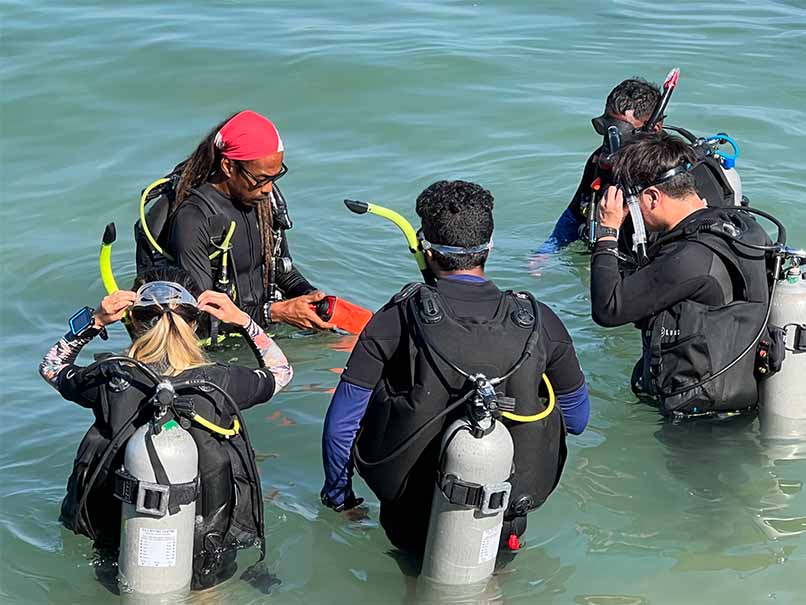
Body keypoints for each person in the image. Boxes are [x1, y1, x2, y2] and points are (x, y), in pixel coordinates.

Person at [320, 180, 590, 558]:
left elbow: (341, 426)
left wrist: (339, 497)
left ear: (426, 251)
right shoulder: (540, 321)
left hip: (409, 515)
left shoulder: (395, 319)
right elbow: (577, 420)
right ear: (490, 246)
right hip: (502, 518)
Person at [39, 266, 292, 589]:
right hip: (207, 546)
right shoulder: (222, 381)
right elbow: (280, 371)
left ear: (131, 321)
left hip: (118, 541)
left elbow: (51, 366)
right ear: (196, 323)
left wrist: (97, 321)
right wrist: (243, 320)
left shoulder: (110, 377)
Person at [590, 133, 770, 418]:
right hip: (737, 399)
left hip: (699, 418)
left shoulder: (688, 258)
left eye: (632, 204)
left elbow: (608, 309)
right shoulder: (741, 228)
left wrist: (607, 232)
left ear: (651, 197)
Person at [142, 109, 335, 331]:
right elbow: (200, 316)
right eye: (261, 179)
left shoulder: (261, 198)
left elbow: (280, 268)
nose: (268, 189)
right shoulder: (194, 219)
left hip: (262, 328)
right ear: (228, 166)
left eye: (274, 177)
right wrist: (275, 313)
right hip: (218, 348)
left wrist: (309, 297)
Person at [535, 77, 742, 256]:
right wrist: (548, 250)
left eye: (620, 134)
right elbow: (574, 213)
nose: (610, 144)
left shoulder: (681, 173)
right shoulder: (600, 162)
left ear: (654, 129)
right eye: (607, 130)